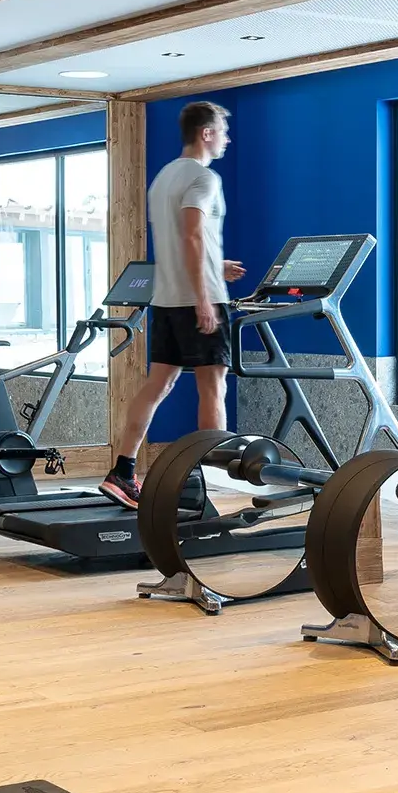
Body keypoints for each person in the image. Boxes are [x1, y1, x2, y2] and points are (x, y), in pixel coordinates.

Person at [100, 100, 245, 508]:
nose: (227, 139)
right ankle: (206, 480)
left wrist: (218, 265)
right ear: (207, 133)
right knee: (212, 387)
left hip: (165, 299)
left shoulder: (164, 177)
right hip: (200, 300)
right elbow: (192, 234)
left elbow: (184, 240)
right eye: (223, 131)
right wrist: (203, 298)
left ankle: (123, 470)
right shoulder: (205, 177)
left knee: (158, 384)